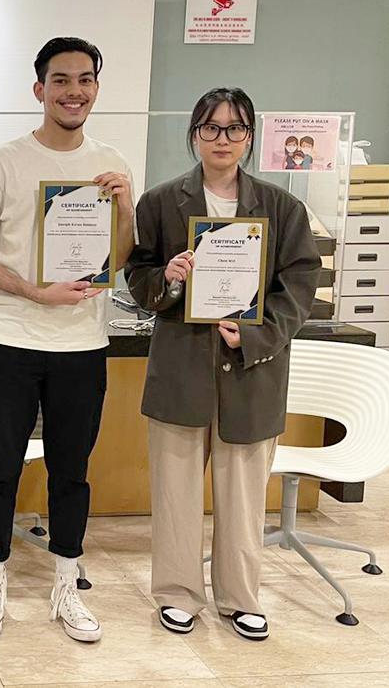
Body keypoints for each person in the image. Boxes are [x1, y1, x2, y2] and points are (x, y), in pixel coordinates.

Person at [0, 36, 134, 644]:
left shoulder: (112, 164)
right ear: (40, 90)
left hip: (84, 345)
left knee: (71, 472)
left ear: (96, 89)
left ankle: (65, 587)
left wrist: (125, 208)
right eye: (60, 80)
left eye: (84, 80)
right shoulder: (3, 162)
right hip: (13, 339)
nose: (73, 91)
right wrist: (33, 291)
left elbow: (122, 260)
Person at [124, 87, 319, 641]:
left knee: (240, 495)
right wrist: (169, 278)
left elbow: (299, 288)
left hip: (251, 371)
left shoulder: (281, 208)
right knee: (176, 490)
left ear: (250, 137)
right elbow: (139, 281)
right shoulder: (161, 203)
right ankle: (177, 593)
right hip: (181, 369)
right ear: (194, 134)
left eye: (235, 129)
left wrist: (254, 334)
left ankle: (240, 597)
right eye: (211, 128)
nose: (223, 139)